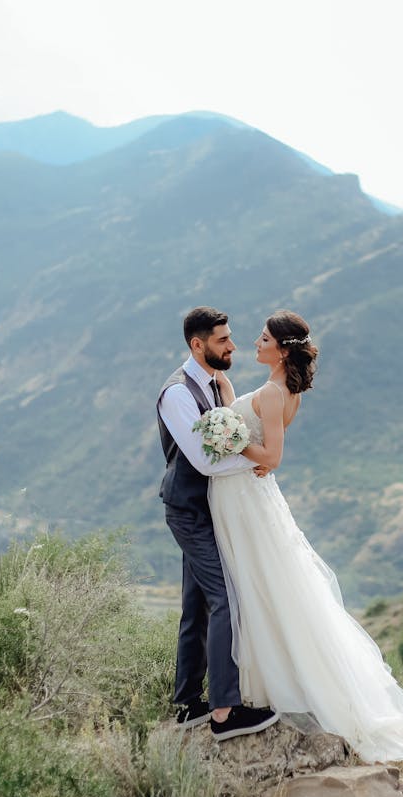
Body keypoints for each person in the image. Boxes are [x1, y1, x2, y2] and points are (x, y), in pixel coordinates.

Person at [209, 309, 403, 764]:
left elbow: (272, 454)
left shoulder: (271, 392)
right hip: (250, 495)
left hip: (245, 497)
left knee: (256, 583)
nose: (255, 342)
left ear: (282, 349)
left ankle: (273, 683)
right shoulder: (283, 392)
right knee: (266, 583)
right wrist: (229, 408)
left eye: (263, 338)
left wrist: (230, 441)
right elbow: (257, 430)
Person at [157, 306, 280, 741]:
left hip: (210, 510)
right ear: (198, 344)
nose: (232, 346)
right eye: (223, 340)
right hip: (189, 512)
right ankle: (224, 713)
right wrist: (256, 467)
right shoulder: (176, 394)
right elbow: (204, 463)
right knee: (225, 600)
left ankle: (189, 703)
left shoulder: (213, 383)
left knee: (197, 606)